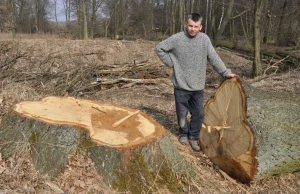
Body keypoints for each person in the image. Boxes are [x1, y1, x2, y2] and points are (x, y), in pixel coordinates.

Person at [155, 13, 236, 152]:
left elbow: (214, 57)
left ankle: (193, 137)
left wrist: (225, 72)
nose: (193, 29)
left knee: (198, 114)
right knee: (182, 114)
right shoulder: (177, 38)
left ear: (201, 27)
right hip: (181, 85)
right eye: (190, 26)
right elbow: (159, 48)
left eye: (196, 26)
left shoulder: (204, 40)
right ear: (186, 25)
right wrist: (172, 63)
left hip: (198, 87)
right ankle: (183, 134)